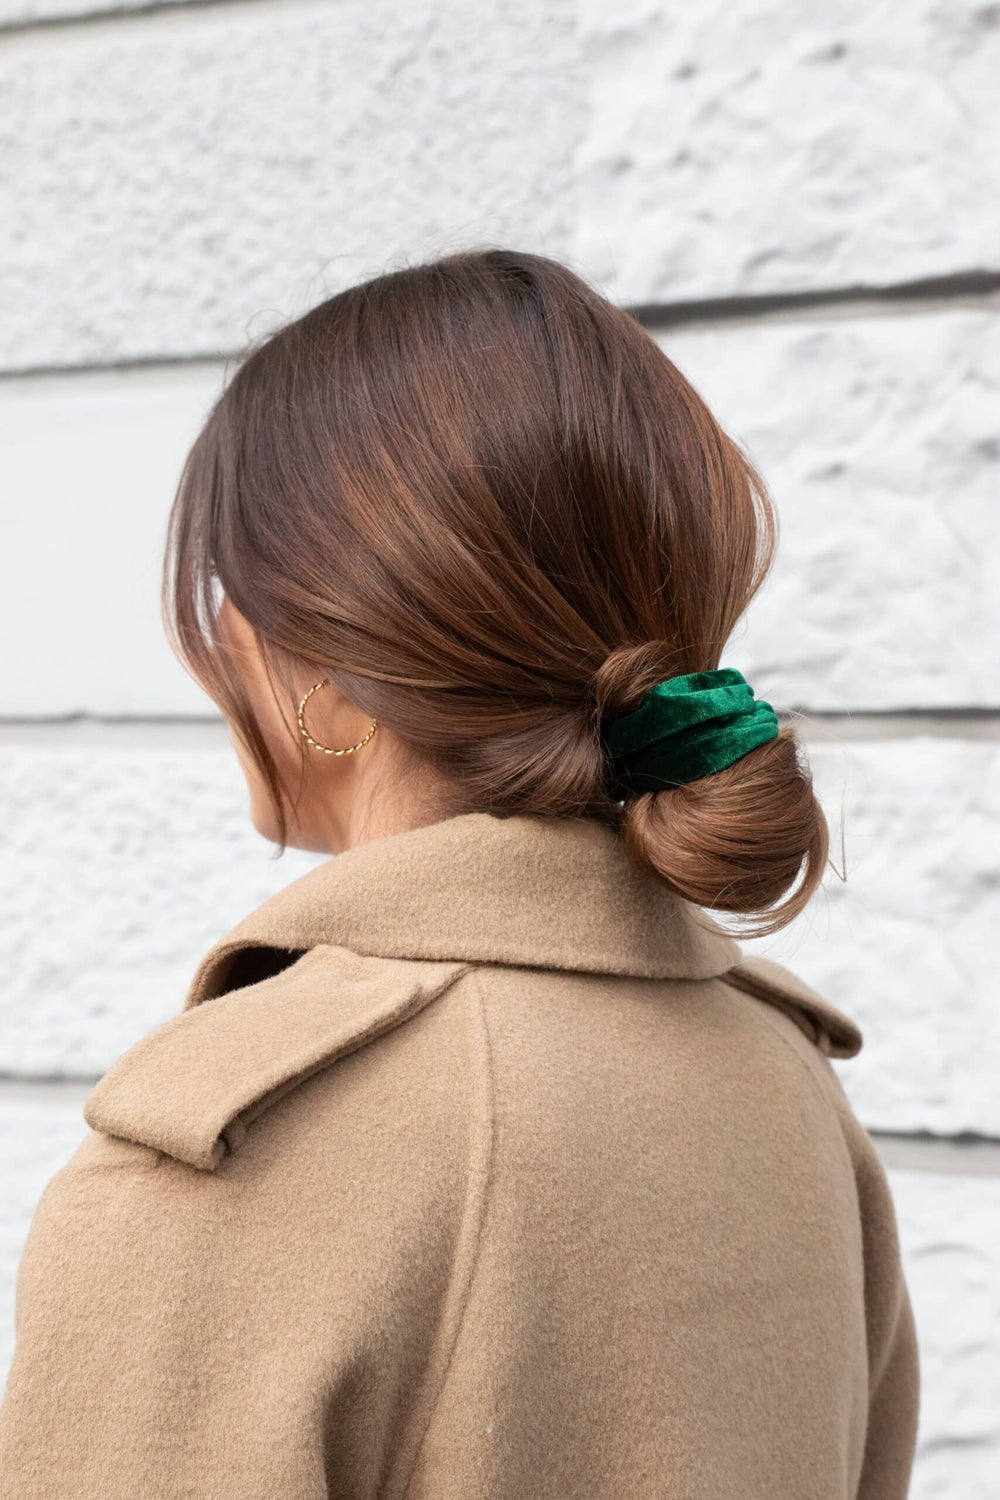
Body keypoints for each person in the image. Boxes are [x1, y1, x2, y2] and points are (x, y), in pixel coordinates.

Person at [0, 249, 918, 1498]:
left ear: (323, 676)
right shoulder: (787, 1087)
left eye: (228, 596)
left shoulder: (243, 1169)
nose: (218, 640)